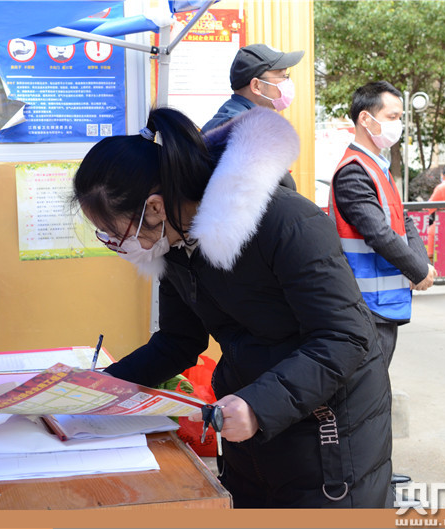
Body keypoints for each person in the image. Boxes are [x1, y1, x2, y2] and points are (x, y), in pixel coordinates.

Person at [73, 106, 391, 507]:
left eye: (114, 233)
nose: (117, 245)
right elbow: (178, 340)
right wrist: (105, 386)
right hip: (247, 421)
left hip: (329, 428)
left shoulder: (287, 221)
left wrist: (259, 405)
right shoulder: (174, 243)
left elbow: (345, 336)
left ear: (154, 208)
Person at [329, 81, 437, 368]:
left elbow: (404, 222)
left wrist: (421, 265)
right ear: (366, 118)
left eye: (400, 118)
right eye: (392, 117)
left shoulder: (377, 166)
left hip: (383, 303)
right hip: (366, 304)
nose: (398, 125)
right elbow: (378, 233)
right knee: (369, 397)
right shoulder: (354, 170)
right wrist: (417, 269)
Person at [202, 43, 304, 133]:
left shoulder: (234, 116)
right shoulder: (243, 129)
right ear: (256, 86)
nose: (287, 82)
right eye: (283, 76)